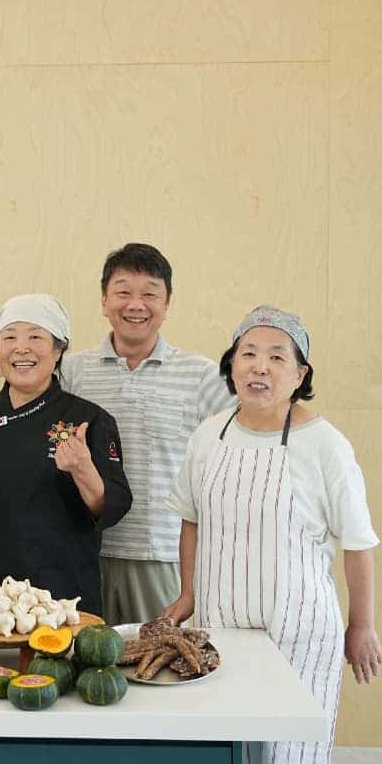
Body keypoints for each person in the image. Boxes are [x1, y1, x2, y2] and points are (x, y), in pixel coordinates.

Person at [163, 305, 382, 764]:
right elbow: (190, 519)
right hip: (221, 628)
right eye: (248, 354)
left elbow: (358, 543)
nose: (260, 367)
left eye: (277, 357)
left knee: (290, 760)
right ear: (232, 365)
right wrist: (188, 593)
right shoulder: (208, 436)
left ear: (300, 374)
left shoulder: (326, 445)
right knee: (227, 754)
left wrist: (361, 626)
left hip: (299, 634)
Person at [61, 243, 234, 624]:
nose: (135, 304)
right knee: (86, 670)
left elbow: (235, 456)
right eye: (123, 292)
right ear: (104, 301)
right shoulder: (72, 372)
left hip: (164, 556)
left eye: (150, 294)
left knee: (160, 665)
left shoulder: (201, 376)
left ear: (167, 304)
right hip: (87, 552)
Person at [0, 294, 132, 616]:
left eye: (36, 337)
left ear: (58, 349)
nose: (22, 348)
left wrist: (83, 469)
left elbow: (113, 508)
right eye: (10, 338)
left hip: (62, 597)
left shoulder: (88, 419)